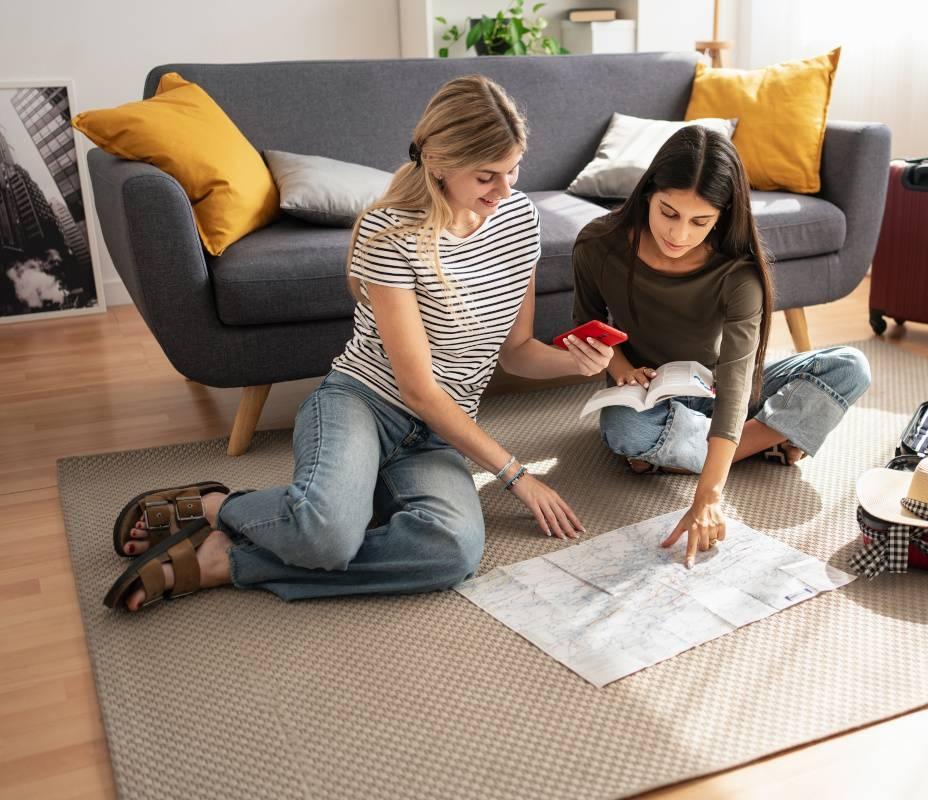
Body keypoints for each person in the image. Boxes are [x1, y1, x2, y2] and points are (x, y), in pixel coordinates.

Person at [105, 75, 613, 611]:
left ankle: (225, 561)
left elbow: (515, 351)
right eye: (487, 175)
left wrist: (574, 364)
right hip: (362, 406)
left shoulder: (519, 221)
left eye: (514, 170)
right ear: (438, 163)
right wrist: (517, 476)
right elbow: (417, 392)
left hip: (440, 436)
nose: (506, 190)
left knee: (452, 552)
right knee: (325, 536)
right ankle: (216, 506)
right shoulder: (390, 235)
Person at [571, 126, 871, 568]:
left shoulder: (738, 272)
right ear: (648, 193)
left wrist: (709, 496)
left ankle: (689, 454)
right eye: (668, 213)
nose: (679, 234)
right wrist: (620, 367)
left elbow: (735, 380)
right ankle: (766, 438)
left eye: (700, 221)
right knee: (624, 429)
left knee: (851, 366)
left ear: (722, 215)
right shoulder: (598, 244)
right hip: (651, 394)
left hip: (721, 389)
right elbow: (589, 327)